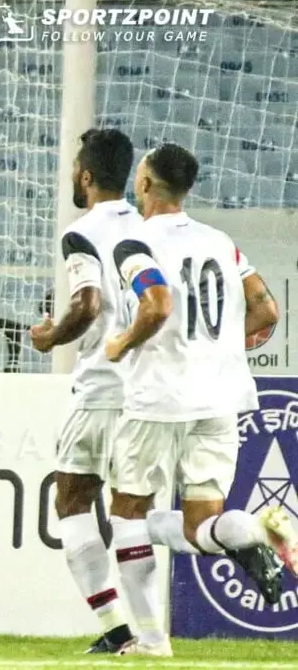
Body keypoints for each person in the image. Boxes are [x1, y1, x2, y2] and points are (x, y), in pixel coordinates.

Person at [104, 143, 293, 656]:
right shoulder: (222, 242)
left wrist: (122, 343)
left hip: (158, 399)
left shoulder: (134, 244)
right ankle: (257, 527)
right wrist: (226, 345)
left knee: (125, 514)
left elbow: (158, 303)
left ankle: (149, 639)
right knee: (201, 525)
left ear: (144, 185)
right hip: (220, 400)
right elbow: (267, 310)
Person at [29, 128, 141, 653]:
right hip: (151, 392)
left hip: (102, 387)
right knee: (142, 513)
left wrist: (51, 336)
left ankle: (118, 630)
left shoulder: (83, 231)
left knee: (72, 500)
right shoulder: (150, 227)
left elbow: (88, 304)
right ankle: (240, 534)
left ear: (88, 175)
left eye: (77, 167)